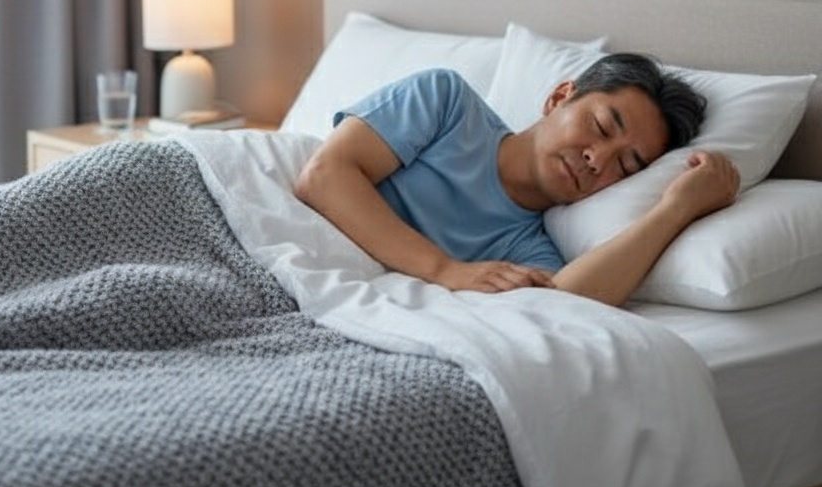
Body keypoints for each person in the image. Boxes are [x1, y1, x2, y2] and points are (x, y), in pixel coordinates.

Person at [294, 54, 740, 307]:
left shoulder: (526, 249)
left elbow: (564, 304)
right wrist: (444, 270)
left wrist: (675, 210)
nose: (597, 159)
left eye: (625, 166)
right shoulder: (446, 104)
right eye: (602, 127)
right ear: (559, 97)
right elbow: (324, 175)